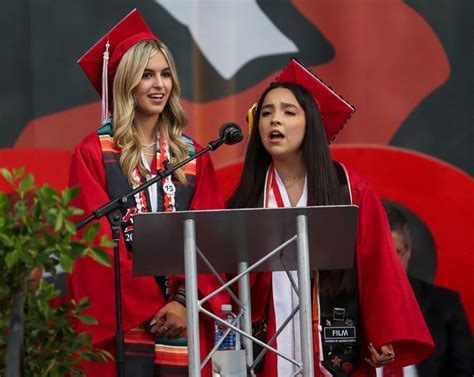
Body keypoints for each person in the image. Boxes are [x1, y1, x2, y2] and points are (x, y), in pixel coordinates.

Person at [227, 59, 434, 376]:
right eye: (266, 112)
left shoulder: (348, 189)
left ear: (310, 123)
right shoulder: (245, 197)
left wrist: (386, 331)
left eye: (288, 111)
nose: (274, 120)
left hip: (336, 338)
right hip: (265, 343)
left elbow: (378, 262)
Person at [68, 9, 226, 376]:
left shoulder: (191, 155)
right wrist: (150, 305)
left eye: (165, 74)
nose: (159, 85)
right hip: (122, 323)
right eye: (146, 75)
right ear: (126, 83)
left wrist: (184, 304)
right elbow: (94, 244)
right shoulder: (94, 153)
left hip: (182, 317)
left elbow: (211, 233)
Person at [381, 202, 473, 377]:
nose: (387, 265)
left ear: (407, 252)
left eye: (394, 253)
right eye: (380, 255)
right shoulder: (349, 306)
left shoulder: (445, 305)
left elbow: (465, 371)